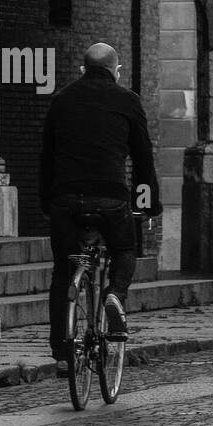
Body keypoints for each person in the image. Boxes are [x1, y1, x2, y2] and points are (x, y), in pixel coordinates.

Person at [39, 43, 161, 375]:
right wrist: (147, 203)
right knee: (124, 249)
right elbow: (142, 158)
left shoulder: (61, 100)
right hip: (110, 199)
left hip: (65, 199)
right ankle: (115, 295)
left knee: (63, 272)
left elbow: (46, 157)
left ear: (83, 69)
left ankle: (63, 353)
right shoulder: (127, 100)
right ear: (115, 70)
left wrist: (46, 203)